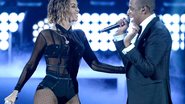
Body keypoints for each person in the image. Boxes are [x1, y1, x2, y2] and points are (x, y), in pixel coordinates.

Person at [4, 0, 125, 104]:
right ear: (62, 9)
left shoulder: (80, 35)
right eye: (73, 6)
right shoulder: (46, 35)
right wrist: (16, 90)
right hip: (48, 88)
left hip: (72, 92)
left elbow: (95, 65)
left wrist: (125, 69)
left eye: (77, 6)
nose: (78, 10)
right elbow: (31, 65)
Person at [113, 0, 173, 104]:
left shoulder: (158, 32)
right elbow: (130, 65)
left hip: (152, 99)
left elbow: (147, 69)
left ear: (143, 10)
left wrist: (128, 44)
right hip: (138, 97)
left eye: (131, 8)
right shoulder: (142, 29)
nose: (128, 13)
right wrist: (120, 36)